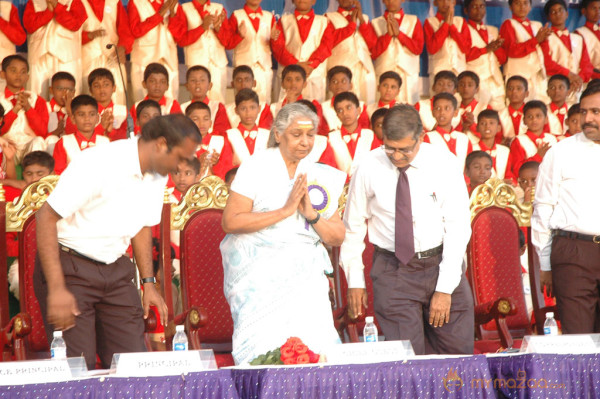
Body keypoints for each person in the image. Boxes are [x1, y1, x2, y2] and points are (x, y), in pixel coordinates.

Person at [33, 114, 201, 370]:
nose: (181, 166)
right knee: (78, 368)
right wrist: (56, 288)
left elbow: (143, 225)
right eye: (180, 157)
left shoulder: (158, 175)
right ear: (160, 144)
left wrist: (148, 283)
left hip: (116, 271)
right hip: (70, 268)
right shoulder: (100, 162)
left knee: (133, 366)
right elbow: (45, 216)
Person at [340, 104, 474, 355]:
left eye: (405, 150)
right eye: (390, 148)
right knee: (408, 360)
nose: (397, 156)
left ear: (421, 138)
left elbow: (458, 228)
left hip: (441, 265)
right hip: (393, 271)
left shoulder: (444, 163)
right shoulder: (368, 166)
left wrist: (444, 289)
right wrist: (354, 280)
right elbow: (353, 226)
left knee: (457, 358)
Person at [221, 102, 346, 365]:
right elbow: (230, 222)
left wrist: (311, 215)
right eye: (296, 134)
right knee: (265, 356)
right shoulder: (255, 167)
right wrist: (286, 210)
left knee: (316, 353)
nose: (305, 142)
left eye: (310, 135)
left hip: (306, 281)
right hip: (260, 281)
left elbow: (336, 236)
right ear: (278, 134)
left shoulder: (318, 173)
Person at [532, 83, 600, 334]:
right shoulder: (560, 152)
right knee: (580, 338)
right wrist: (545, 264)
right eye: (584, 112)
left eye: (596, 112)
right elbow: (543, 209)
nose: (588, 119)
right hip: (573, 252)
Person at [270, 0, 335, 103]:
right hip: (289, 76)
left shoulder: (324, 22)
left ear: (314, 1)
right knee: (286, 110)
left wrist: (311, 65)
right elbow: (278, 48)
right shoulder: (283, 21)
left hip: (314, 76)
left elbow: (326, 47)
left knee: (313, 111)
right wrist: (296, 64)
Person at [23, 0, 86, 98]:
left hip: (66, 57)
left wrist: (58, 7)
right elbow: (29, 25)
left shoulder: (74, 1)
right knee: (36, 96)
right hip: (39, 56)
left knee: (67, 96)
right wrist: (48, 11)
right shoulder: (33, 2)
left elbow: (75, 24)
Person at [170, 0, 228, 103]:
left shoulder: (219, 8)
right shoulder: (184, 8)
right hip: (196, 61)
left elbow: (227, 41)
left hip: (218, 63)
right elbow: (182, 40)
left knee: (218, 101)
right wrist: (202, 27)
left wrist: (217, 27)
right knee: (198, 101)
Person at [220, 0, 275, 103]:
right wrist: (239, 36)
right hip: (243, 70)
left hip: (263, 69)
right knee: (242, 103)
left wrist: (274, 40)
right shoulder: (237, 15)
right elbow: (228, 44)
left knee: (264, 103)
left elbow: (276, 47)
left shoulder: (269, 17)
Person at [0, 55, 49, 163]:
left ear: (28, 77)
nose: (18, 75)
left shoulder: (37, 100)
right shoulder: (0, 99)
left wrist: (28, 108)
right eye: (13, 71)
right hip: (7, 145)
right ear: (2, 74)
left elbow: (42, 132)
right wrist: (15, 110)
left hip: (29, 146)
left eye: (23, 72)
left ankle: (36, 177)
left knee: (39, 141)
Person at [325, 0, 376, 105]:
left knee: (366, 102)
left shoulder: (365, 18)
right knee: (342, 103)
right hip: (341, 68)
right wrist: (352, 25)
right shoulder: (329, 17)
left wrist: (361, 20)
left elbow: (372, 45)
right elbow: (329, 42)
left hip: (364, 67)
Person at [500, 0, 551, 103]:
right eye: (517, 3)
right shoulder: (509, 24)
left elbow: (544, 52)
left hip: (537, 75)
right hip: (517, 76)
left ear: (530, 6)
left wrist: (544, 40)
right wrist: (536, 40)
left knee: (541, 107)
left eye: (525, 3)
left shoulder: (536, 25)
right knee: (519, 108)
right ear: (510, 7)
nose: (522, 7)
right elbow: (511, 51)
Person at [542, 0, 592, 103]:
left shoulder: (578, 38)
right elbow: (546, 63)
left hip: (577, 90)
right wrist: (569, 75)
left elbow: (587, 65)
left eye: (560, 10)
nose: (558, 14)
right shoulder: (545, 38)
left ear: (567, 14)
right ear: (548, 17)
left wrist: (578, 80)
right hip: (554, 90)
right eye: (553, 12)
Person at [128, 0, 179, 100]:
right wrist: (159, 15)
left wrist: (172, 15)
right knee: (143, 102)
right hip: (143, 60)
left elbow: (180, 36)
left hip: (169, 60)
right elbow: (135, 31)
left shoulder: (174, 3)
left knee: (170, 103)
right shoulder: (136, 2)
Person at [464, 0, 506, 110]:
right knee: (478, 113)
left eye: (482, 6)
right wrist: (486, 49)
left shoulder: (493, 30)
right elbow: (464, 55)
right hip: (477, 79)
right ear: (466, 10)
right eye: (474, 6)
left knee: (500, 115)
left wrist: (496, 47)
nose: (479, 10)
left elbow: (502, 58)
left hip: (495, 79)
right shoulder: (464, 29)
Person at [52, 95, 109, 174]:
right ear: (73, 119)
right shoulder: (64, 142)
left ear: (97, 118)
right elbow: (58, 173)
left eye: (92, 114)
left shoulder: (105, 142)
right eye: (81, 114)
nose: (87, 118)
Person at [424, 93, 473, 172]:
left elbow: (469, 167)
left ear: (455, 113)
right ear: (432, 113)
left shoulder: (464, 139)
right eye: (438, 108)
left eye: (447, 108)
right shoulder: (427, 138)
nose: (442, 112)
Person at [509, 100, 557, 177]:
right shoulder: (519, 141)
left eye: (538, 116)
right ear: (524, 120)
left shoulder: (552, 139)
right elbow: (517, 169)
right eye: (530, 117)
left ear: (546, 119)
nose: (534, 120)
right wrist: (538, 156)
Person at [424, 0, 471, 77]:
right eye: (441, 0)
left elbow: (466, 49)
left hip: (459, 71)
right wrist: (445, 24)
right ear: (435, 2)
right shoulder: (429, 22)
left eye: (449, 0)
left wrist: (452, 27)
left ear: (454, 2)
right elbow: (432, 48)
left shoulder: (461, 22)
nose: (445, 2)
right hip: (438, 72)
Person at [181, 65, 231, 135]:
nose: (198, 83)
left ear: (210, 85)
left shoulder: (217, 107)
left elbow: (222, 132)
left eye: (202, 80)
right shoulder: (181, 108)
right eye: (193, 80)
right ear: (187, 86)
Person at [130, 63, 182, 129]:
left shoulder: (172, 105)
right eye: (153, 81)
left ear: (167, 86)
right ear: (144, 84)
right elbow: (133, 130)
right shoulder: (136, 107)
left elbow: (178, 129)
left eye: (162, 82)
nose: (157, 85)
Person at [225, 65, 273, 130]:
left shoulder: (264, 108)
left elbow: (265, 134)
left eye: (247, 80)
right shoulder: (226, 110)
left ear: (254, 83)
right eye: (239, 80)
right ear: (232, 84)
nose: (243, 84)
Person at [576, 0, 600, 80]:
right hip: (592, 81)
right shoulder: (579, 33)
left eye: (599, 8)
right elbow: (583, 63)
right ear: (584, 11)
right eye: (594, 8)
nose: (598, 12)